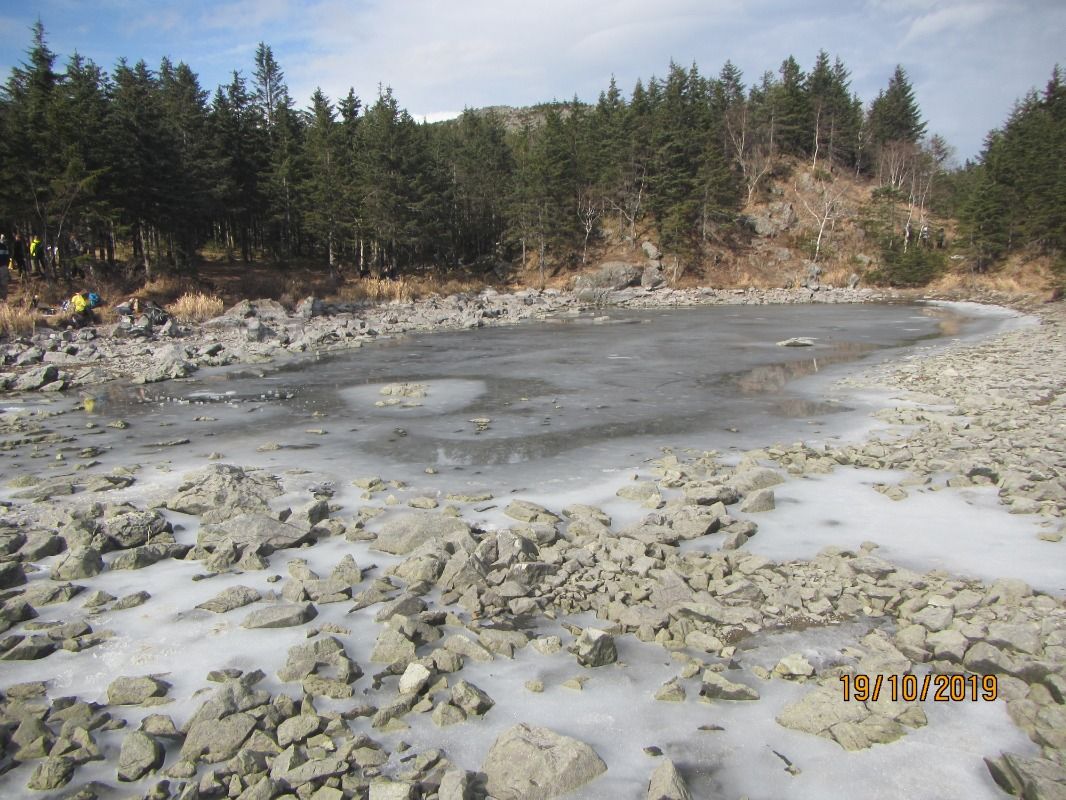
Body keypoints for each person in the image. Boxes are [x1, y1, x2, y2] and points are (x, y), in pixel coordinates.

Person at [0, 235, 10, 301]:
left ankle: (3, 300)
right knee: (4, 284)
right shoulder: (4, 246)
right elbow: (7, 258)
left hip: (3, 266)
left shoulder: (4, 246)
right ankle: (3, 299)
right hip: (4, 266)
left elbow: (7, 257)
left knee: (3, 284)